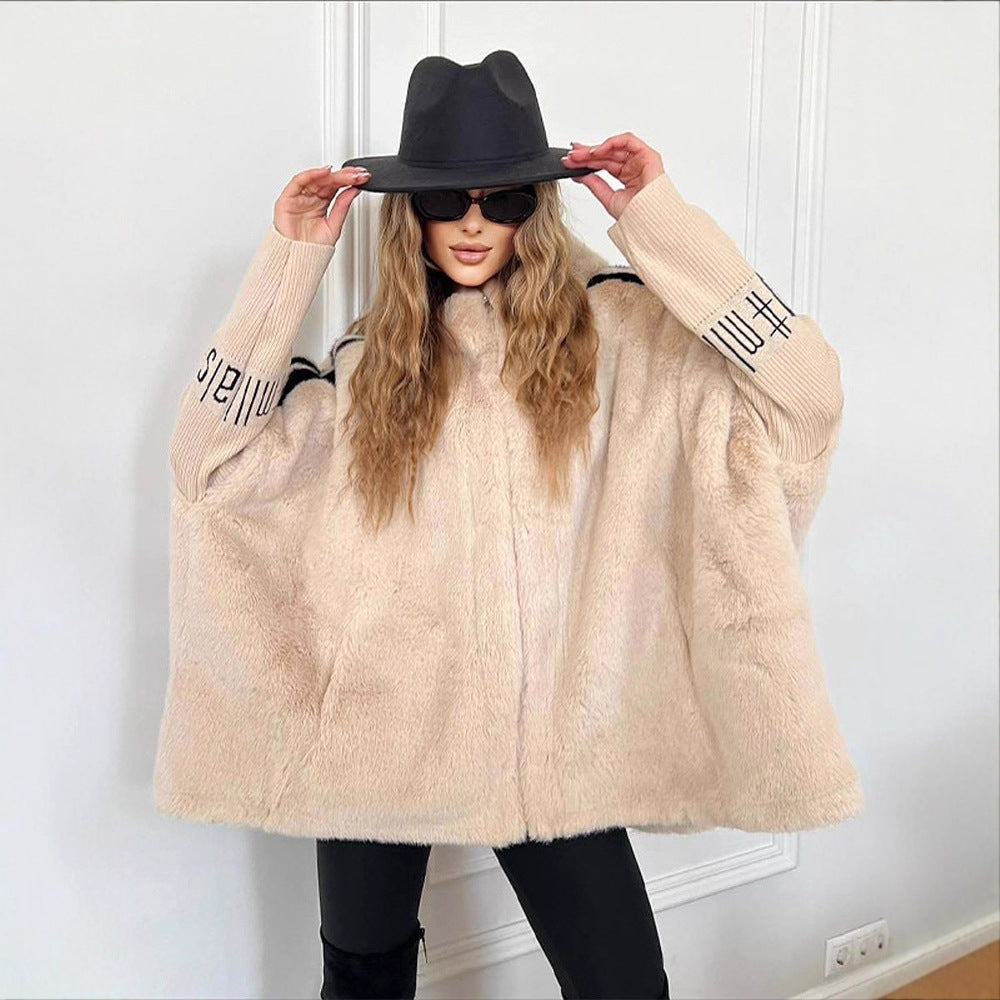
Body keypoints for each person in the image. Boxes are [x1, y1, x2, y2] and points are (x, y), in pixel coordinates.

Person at [153, 50, 862, 1000]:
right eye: (447, 201)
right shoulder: (369, 366)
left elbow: (807, 394)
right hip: (378, 738)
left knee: (624, 987)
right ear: (411, 213)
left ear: (540, 206)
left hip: (556, 747)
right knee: (361, 984)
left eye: (505, 200)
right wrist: (289, 263)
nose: (474, 223)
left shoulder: (622, 337)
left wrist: (660, 222)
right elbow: (203, 467)